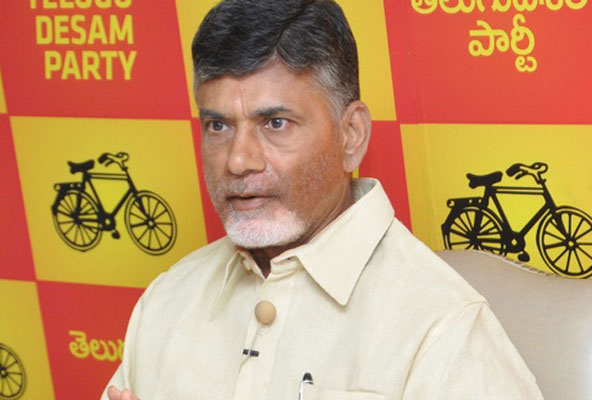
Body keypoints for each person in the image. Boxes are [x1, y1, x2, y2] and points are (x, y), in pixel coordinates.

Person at [104, 0, 544, 399]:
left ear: (351, 135)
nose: (237, 160)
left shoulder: (441, 328)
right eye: (218, 126)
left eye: (275, 123)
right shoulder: (166, 300)